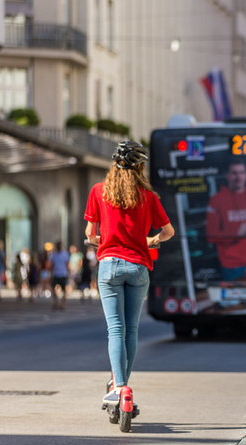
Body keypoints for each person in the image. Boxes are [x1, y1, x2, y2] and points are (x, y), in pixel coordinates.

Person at [85, 140, 174, 404]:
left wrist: (103, 241)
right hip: (138, 266)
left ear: (114, 165)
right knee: (131, 330)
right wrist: (150, 241)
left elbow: (91, 235)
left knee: (115, 329)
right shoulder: (148, 197)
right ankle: (125, 385)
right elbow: (168, 232)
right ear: (140, 168)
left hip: (109, 265)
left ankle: (119, 387)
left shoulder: (99, 191)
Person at [50, 241, 70, 311]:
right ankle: (56, 303)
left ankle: (63, 304)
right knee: (53, 289)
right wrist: (51, 274)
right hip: (56, 273)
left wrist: (68, 273)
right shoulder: (54, 254)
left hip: (63, 274)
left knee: (64, 290)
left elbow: (67, 264)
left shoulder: (65, 254)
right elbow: (52, 265)